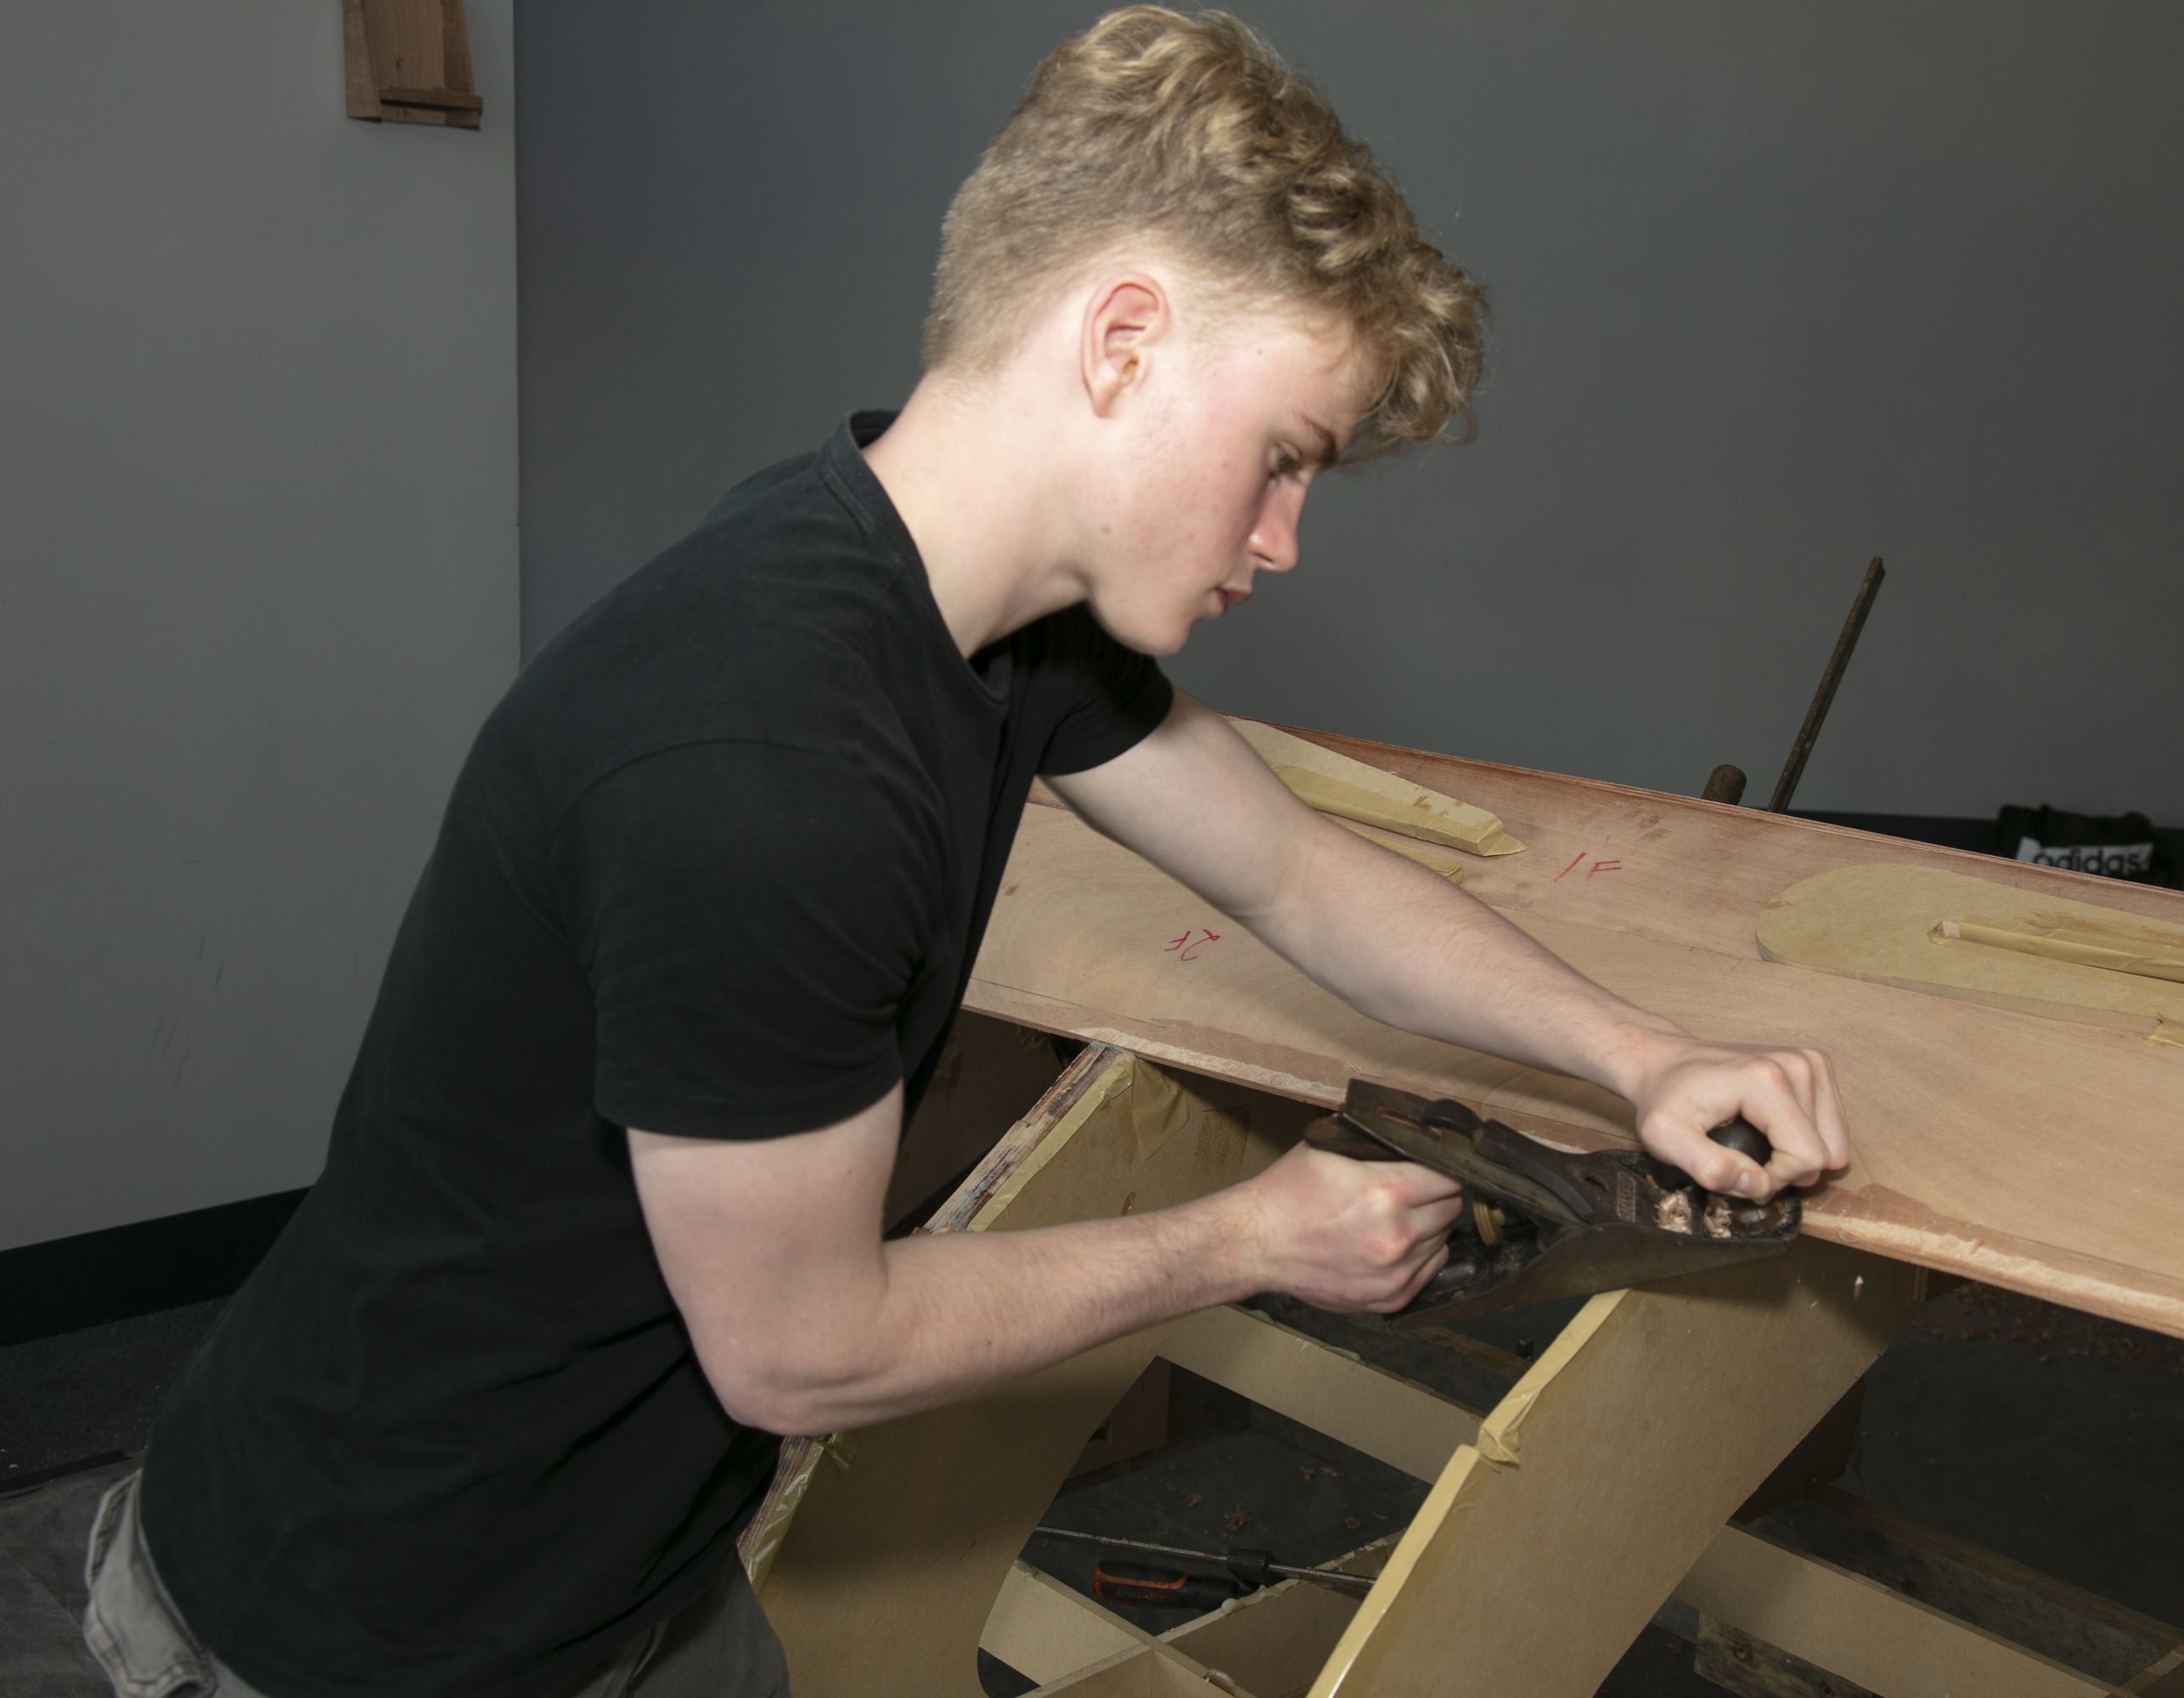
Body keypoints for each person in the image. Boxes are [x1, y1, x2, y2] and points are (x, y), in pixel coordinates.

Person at [86, 9, 1849, 1696]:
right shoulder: (769, 764)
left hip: (623, 1576)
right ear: (1124, 341)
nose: (1285, 539)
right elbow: (802, 1345)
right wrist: (1248, 1236)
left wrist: (1644, 1053)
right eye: (1282, 458)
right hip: (372, 1620)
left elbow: (1299, 878)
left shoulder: (964, 603)